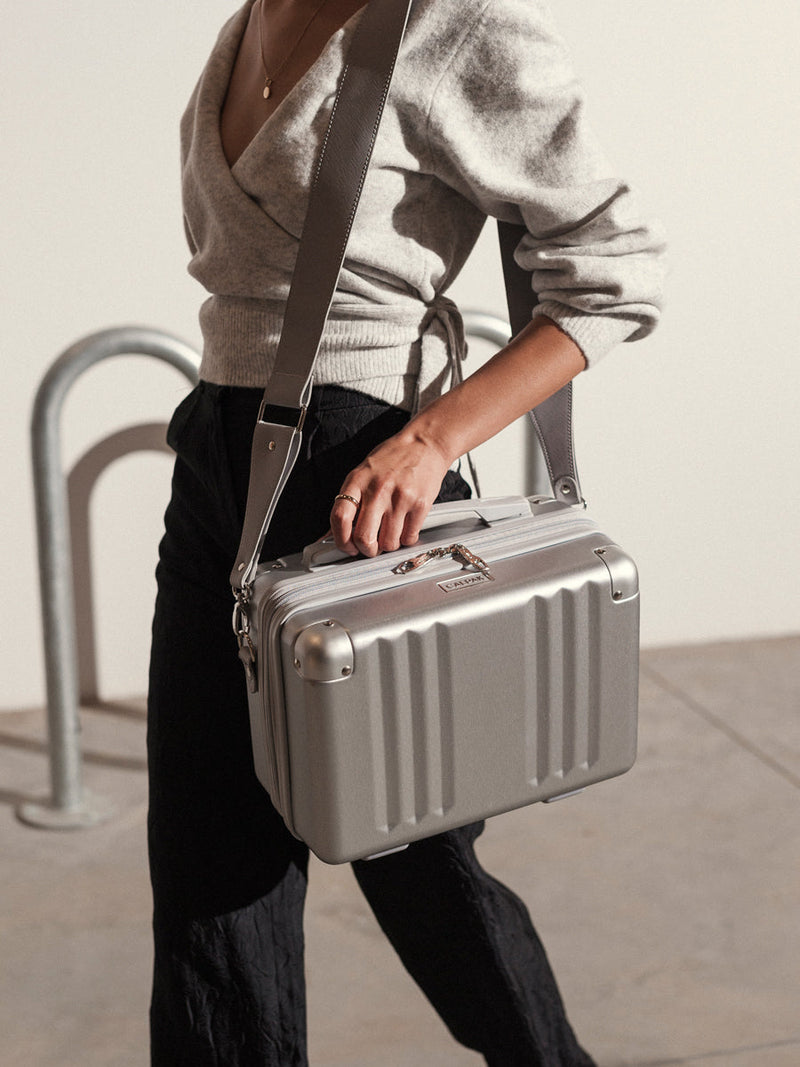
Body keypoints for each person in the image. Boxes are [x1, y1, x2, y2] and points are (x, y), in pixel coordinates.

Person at [147, 0, 666, 1064]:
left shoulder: (455, 25)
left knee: (416, 856)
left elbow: (610, 270)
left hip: (354, 479)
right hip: (217, 458)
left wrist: (433, 437)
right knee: (205, 859)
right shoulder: (250, 18)